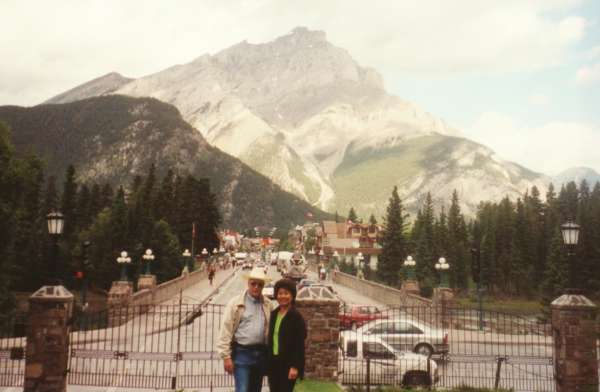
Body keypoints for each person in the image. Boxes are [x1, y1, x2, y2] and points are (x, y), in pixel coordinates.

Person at [217, 267, 272, 392]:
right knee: (242, 389)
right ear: (248, 284)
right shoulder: (235, 304)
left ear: (263, 286)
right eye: (253, 284)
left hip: (261, 355)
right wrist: (226, 357)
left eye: (260, 284)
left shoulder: (268, 304)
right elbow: (226, 330)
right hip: (242, 354)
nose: (256, 287)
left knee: (255, 390)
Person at [267, 278, 307, 392]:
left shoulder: (296, 317)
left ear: (292, 295)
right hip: (274, 363)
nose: (282, 296)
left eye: (286, 293)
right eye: (280, 293)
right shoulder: (274, 314)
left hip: (288, 364)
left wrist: (295, 367)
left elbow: (299, 344)